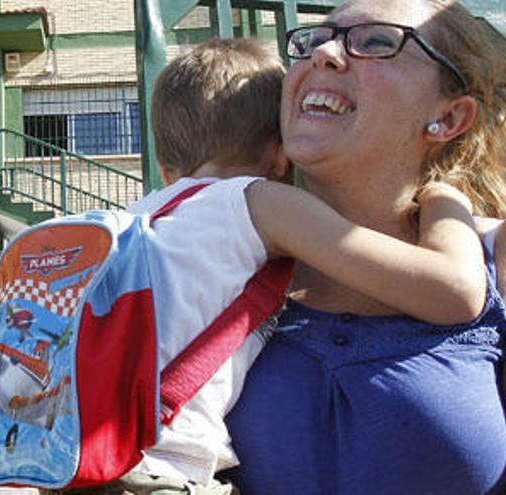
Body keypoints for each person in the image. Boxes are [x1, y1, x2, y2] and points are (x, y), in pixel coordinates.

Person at [46, 37, 485, 495]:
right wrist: (444, 198)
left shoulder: (132, 224)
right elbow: (453, 291)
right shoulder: (259, 204)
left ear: (162, 164)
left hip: (82, 464)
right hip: (166, 471)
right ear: (280, 154)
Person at [224, 1, 506, 494]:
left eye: (376, 41)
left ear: (449, 115)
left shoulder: (496, 258)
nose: (325, 53)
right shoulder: (209, 265)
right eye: (313, 41)